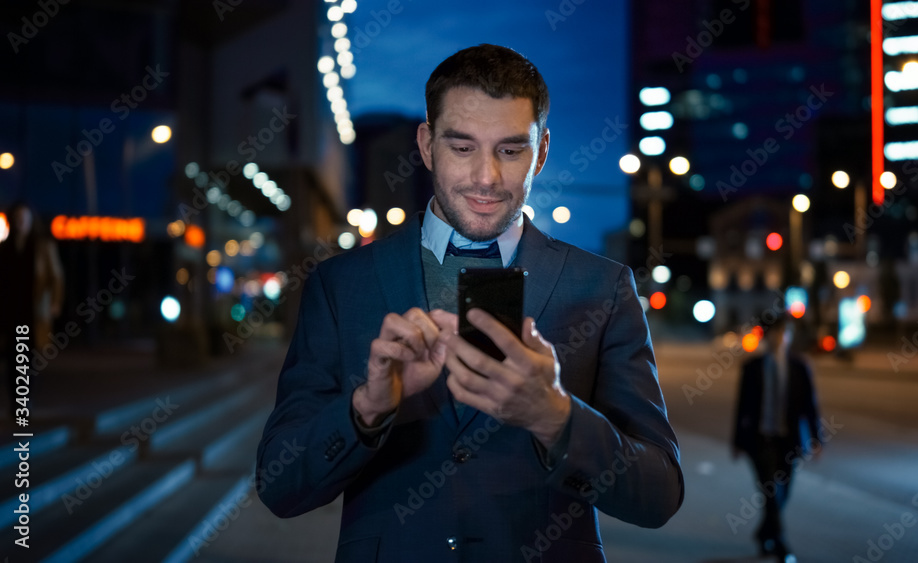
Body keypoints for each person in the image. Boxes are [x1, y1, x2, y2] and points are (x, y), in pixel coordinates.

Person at [256, 44, 684, 561]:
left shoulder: (603, 287)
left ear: (541, 152)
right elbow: (279, 488)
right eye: (462, 148)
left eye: (510, 150)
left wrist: (555, 416)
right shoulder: (341, 284)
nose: (486, 177)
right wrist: (366, 411)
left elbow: (658, 495)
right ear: (427, 144)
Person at [732, 312, 822, 561]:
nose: (779, 338)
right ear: (767, 336)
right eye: (775, 333)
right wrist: (737, 442)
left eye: (784, 333)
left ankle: (764, 533)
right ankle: (781, 545)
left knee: (783, 492)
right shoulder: (752, 368)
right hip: (760, 440)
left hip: (789, 441)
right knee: (771, 491)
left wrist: (817, 439)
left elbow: (810, 406)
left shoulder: (800, 367)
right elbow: (742, 407)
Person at [0, 202, 64, 420]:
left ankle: (24, 402)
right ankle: (15, 404)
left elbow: (55, 277)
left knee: (27, 357)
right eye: (17, 218)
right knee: (11, 357)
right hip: (10, 311)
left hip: (33, 311)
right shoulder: (5, 247)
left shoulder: (42, 246)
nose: (20, 222)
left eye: (24, 218)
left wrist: (54, 303)